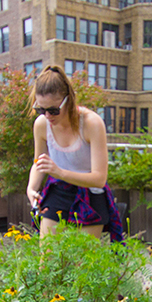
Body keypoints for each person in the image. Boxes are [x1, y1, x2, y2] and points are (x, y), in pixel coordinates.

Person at [25, 65, 123, 241]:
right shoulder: (41, 124)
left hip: (90, 195)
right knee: (48, 261)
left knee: (81, 264)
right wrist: (31, 188)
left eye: (53, 110)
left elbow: (99, 179)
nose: (47, 115)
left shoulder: (91, 123)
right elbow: (39, 163)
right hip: (59, 191)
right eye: (41, 109)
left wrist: (59, 172)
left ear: (68, 100)